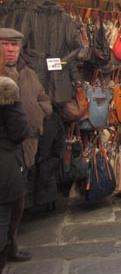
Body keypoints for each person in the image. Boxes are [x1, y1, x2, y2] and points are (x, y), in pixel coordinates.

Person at [0, 28, 52, 263]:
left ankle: (11, 244)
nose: (10, 50)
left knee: (17, 200)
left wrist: (40, 112)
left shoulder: (28, 73)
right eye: (5, 44)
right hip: (6, 148)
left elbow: (43, 97)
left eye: (14, 45)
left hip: (27, 144)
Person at [0, 47, 30, 272]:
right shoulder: (6, 88)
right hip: (6, 160)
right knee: (3, 214)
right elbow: (19, 130)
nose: (11, 50)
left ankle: (11, 247)